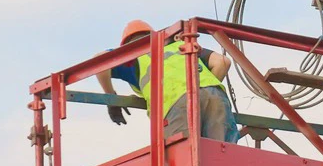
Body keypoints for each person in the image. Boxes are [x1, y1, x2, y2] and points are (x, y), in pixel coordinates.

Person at [97, 20, 238, 143]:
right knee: (221, 155)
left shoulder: (133, 55)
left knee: (182, 160)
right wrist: (200, 90)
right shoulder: (179, 45)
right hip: (216, 96)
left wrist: (112, 99)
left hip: (178, 105)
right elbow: (222, 62)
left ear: (126, 45)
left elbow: (100, 61)